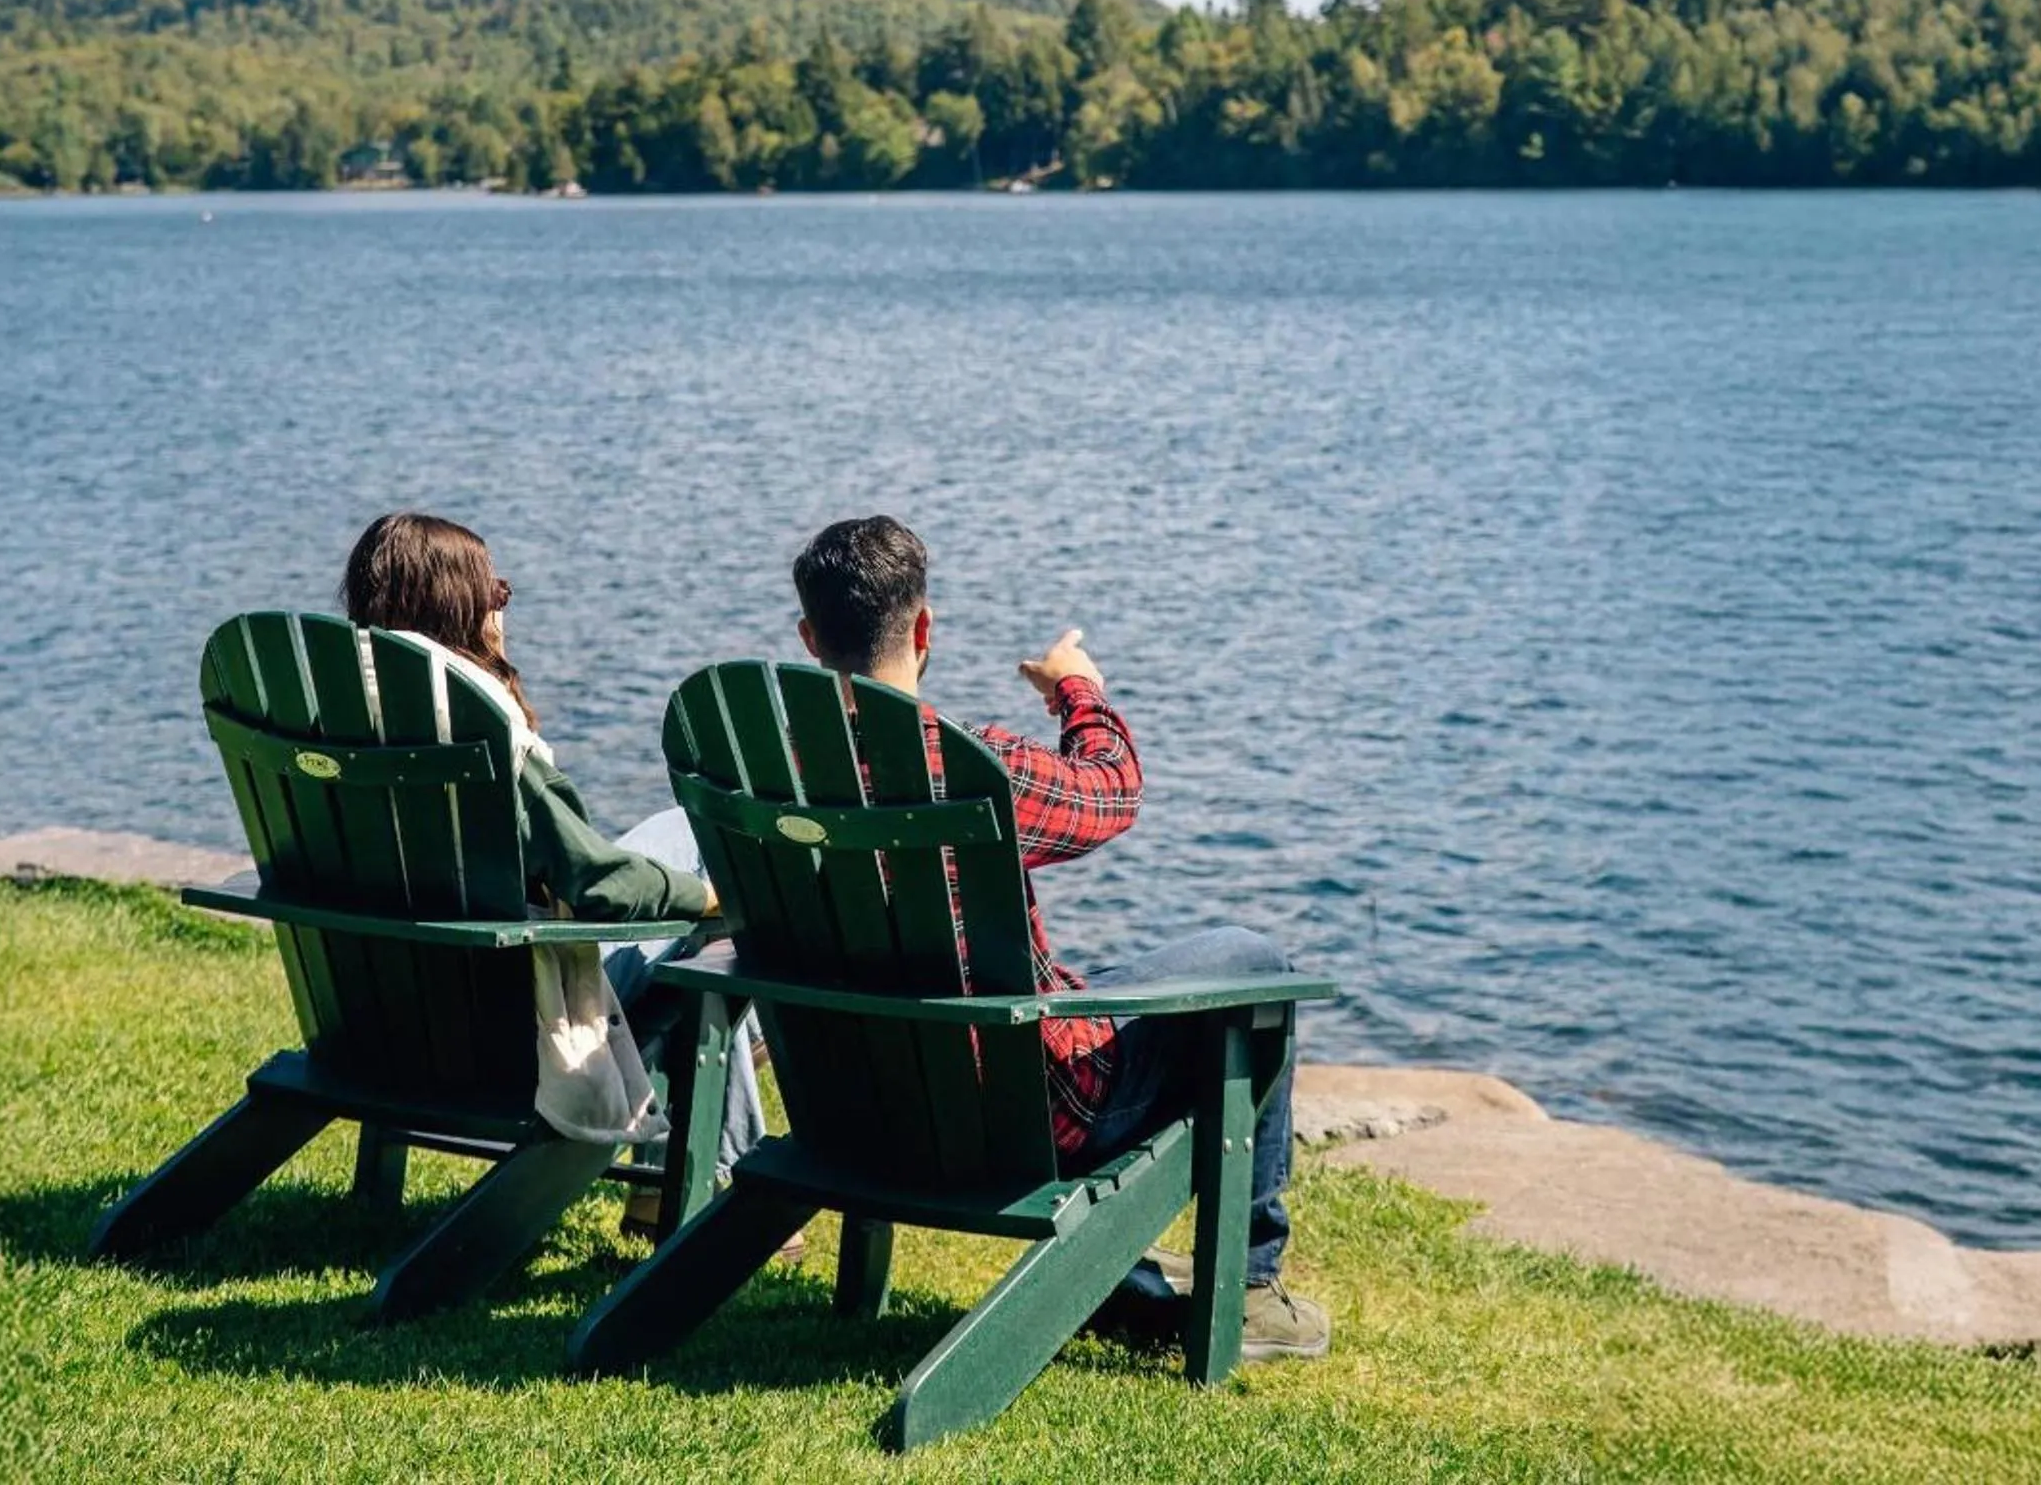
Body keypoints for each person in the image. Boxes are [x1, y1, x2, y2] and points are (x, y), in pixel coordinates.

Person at [788, 515, 1329, 1359]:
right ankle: (1251, 1291)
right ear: (924, 629)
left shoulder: (768, 771)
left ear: (809, 637)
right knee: (1258, 966)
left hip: (859, 1107)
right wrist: (1077, 688)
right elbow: (1112, 791)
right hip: (1023, 1113)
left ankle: (1128, 1286)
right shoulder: (967, 768)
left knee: (1102, 980)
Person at [342, 512, 767, 1199]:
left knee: (681, 835)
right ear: (459, 607)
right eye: (496, 592)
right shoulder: (474, 724)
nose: (502, 608)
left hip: (383, 1007)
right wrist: (713, 903)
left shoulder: (339, 716)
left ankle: (671, 1175)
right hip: (510, 1021)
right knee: (711, 901)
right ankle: (719, 1181)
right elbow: (593, 881)